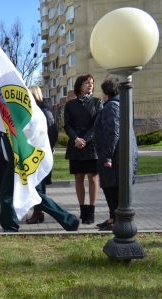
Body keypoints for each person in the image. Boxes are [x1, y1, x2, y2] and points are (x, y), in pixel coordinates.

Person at [93, 76, 138, 231]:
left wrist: (106, 156)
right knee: (113, 188)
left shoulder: (112, 106)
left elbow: (112, 133)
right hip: (120, 155)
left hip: (115, 157)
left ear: (107, 91)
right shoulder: (122, 104)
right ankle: (113, 218)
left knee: (112, 188)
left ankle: (116, 221)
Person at [64, 74, 103, 224]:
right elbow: (67, 125)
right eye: (87, 82)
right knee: (78, 177)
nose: (90, 85)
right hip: (75, 146)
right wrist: (75, 139)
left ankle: (91, 211)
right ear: (80, 85)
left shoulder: (98, 102)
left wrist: (85, 139)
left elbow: (97, 125)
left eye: (92, 83)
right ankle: (83, 210)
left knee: (93, 177)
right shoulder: (70, 104)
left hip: (91, 146)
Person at [26, 86, 60, 224]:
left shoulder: (44, 112)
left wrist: (45, 149)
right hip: (33, 155)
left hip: (40, 155)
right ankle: (38, 212)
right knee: (35, 185)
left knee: (38, 186)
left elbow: (53, 132)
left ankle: (39, 212)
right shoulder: (35, 110)